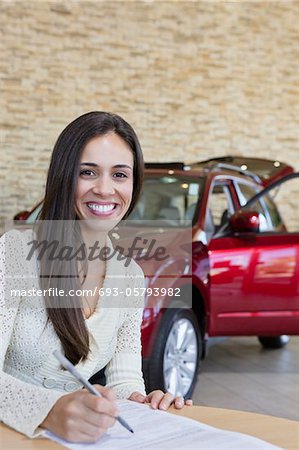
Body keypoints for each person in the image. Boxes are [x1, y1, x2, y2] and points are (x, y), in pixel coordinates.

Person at [0, 111, 192, 443]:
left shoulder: (131, 277)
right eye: (87, 172)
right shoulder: (14, 253)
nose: (105, 189)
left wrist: (142, 401)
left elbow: (124, 381)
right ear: (63, 176)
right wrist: (50, 410)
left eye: (120, 174)